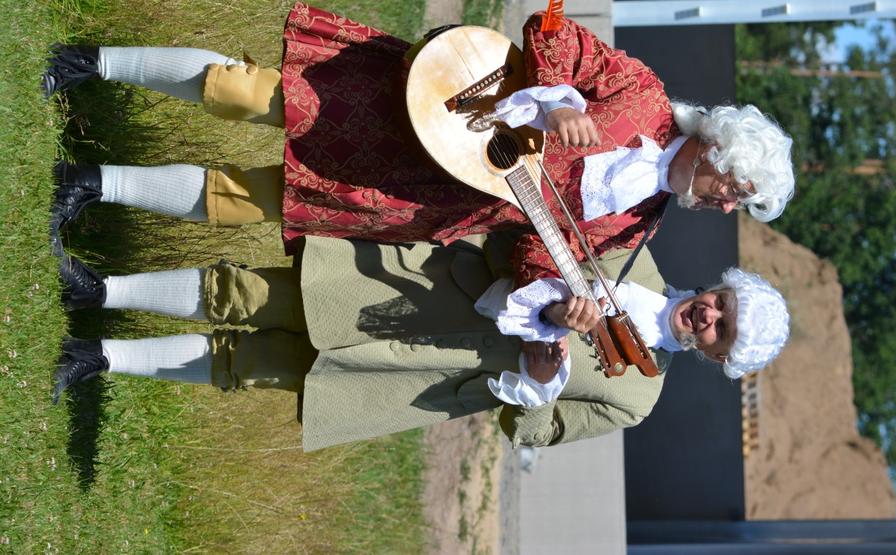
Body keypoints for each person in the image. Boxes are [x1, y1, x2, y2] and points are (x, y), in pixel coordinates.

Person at [44, 2, 796, 299]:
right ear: (721, 148)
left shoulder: (637, 232)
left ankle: (91, 181)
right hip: (432, 114)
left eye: (738, 203)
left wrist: (566, 297)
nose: (726, 204)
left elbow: (527, 253)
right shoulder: (645, 96)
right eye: (738, 188)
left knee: (248, 199)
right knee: (255, 93)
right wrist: (563, 97)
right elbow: (553, 30)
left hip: (421, 197)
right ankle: (93, 62)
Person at [51, 234, 790, 449]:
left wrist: (540, 378)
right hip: (422, 292)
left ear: (721, 360)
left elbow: (529, 429)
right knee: (247, 291)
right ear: (715, 286)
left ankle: (98, 358)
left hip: (417, 378)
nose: (710, 317)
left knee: (249, 366)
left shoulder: (640, 396)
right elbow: (515, 236)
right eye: (720, 303)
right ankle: (100, 291)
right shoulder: (636, 248)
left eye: (722, 331)